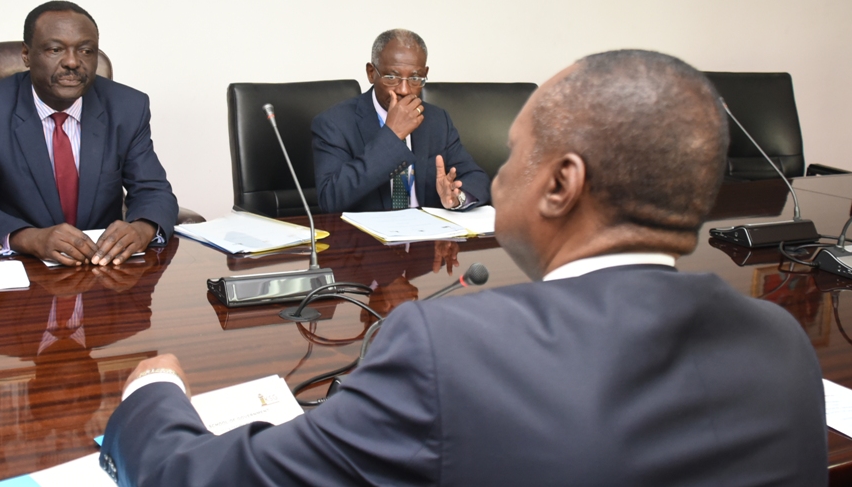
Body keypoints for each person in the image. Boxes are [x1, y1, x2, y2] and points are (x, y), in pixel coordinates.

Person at [97, 50, 827, 486]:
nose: (497, 175)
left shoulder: (447, 348)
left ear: (561, 184)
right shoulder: (779, 341)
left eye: (516, 153)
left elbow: (199, 479)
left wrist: (153, 394)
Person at [0, 0, 178, 267]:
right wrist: (31, 239)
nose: (72, 62)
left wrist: (143, 228)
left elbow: (154, 192)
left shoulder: (127, 107)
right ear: (26, 54)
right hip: (23, 272)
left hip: (103, 271)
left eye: (86, 51)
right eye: (55, 49)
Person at [311, 29, 490, 213]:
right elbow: (330, 199)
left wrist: (457, 197)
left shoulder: (437, 120)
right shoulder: (334, 123)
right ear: (371, 73)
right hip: (368, 230)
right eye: (391, 77)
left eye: (415, 78)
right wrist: (392, 136)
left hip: (427, 228)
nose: (404, 90)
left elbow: (476, 179)